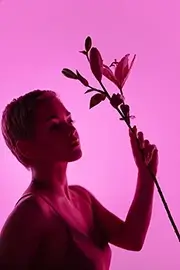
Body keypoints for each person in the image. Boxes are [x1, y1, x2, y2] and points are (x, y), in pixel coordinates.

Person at [0, 89, 158, 269]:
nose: (71, 129)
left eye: (69, 120)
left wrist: (146, 174)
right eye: (54, 126)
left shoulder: (82, 198)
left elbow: (132, 239)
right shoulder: (31, 214)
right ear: (26, 148)